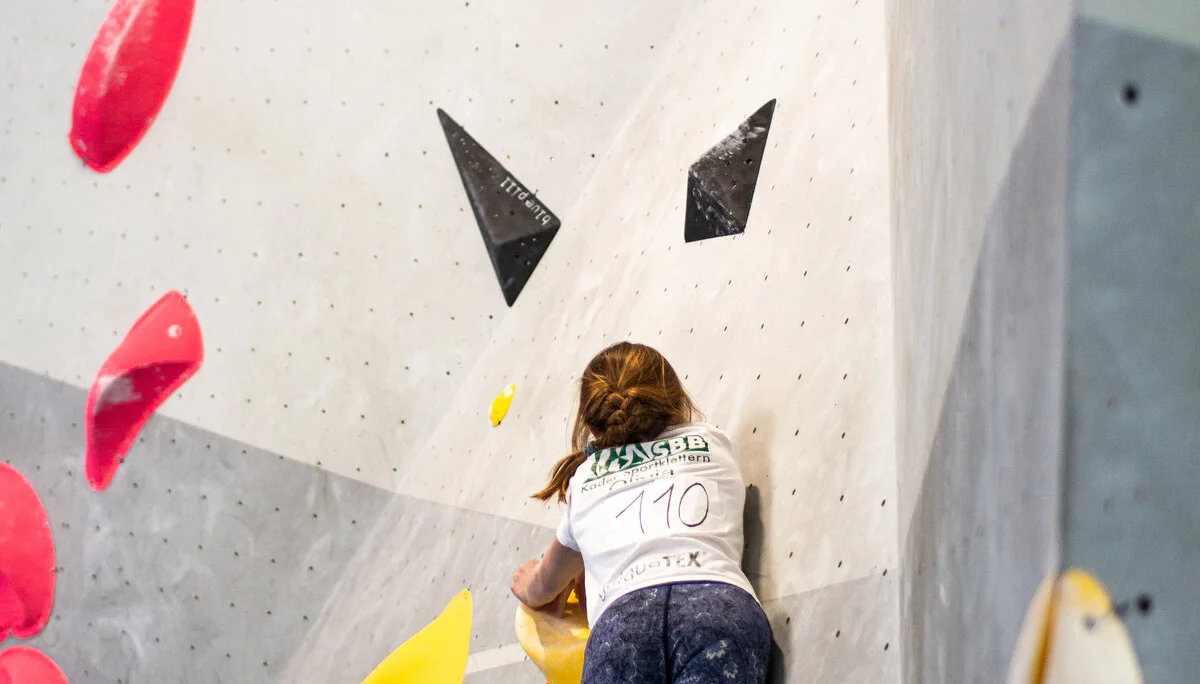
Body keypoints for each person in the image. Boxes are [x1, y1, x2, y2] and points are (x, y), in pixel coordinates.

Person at [510, 342, 772, 683]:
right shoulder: (713, 441)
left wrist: (531, 584)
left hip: (622, 626)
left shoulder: (585, 478)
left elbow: (544, 585)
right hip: (716, 605)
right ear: (676, 398)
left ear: (590, 425)